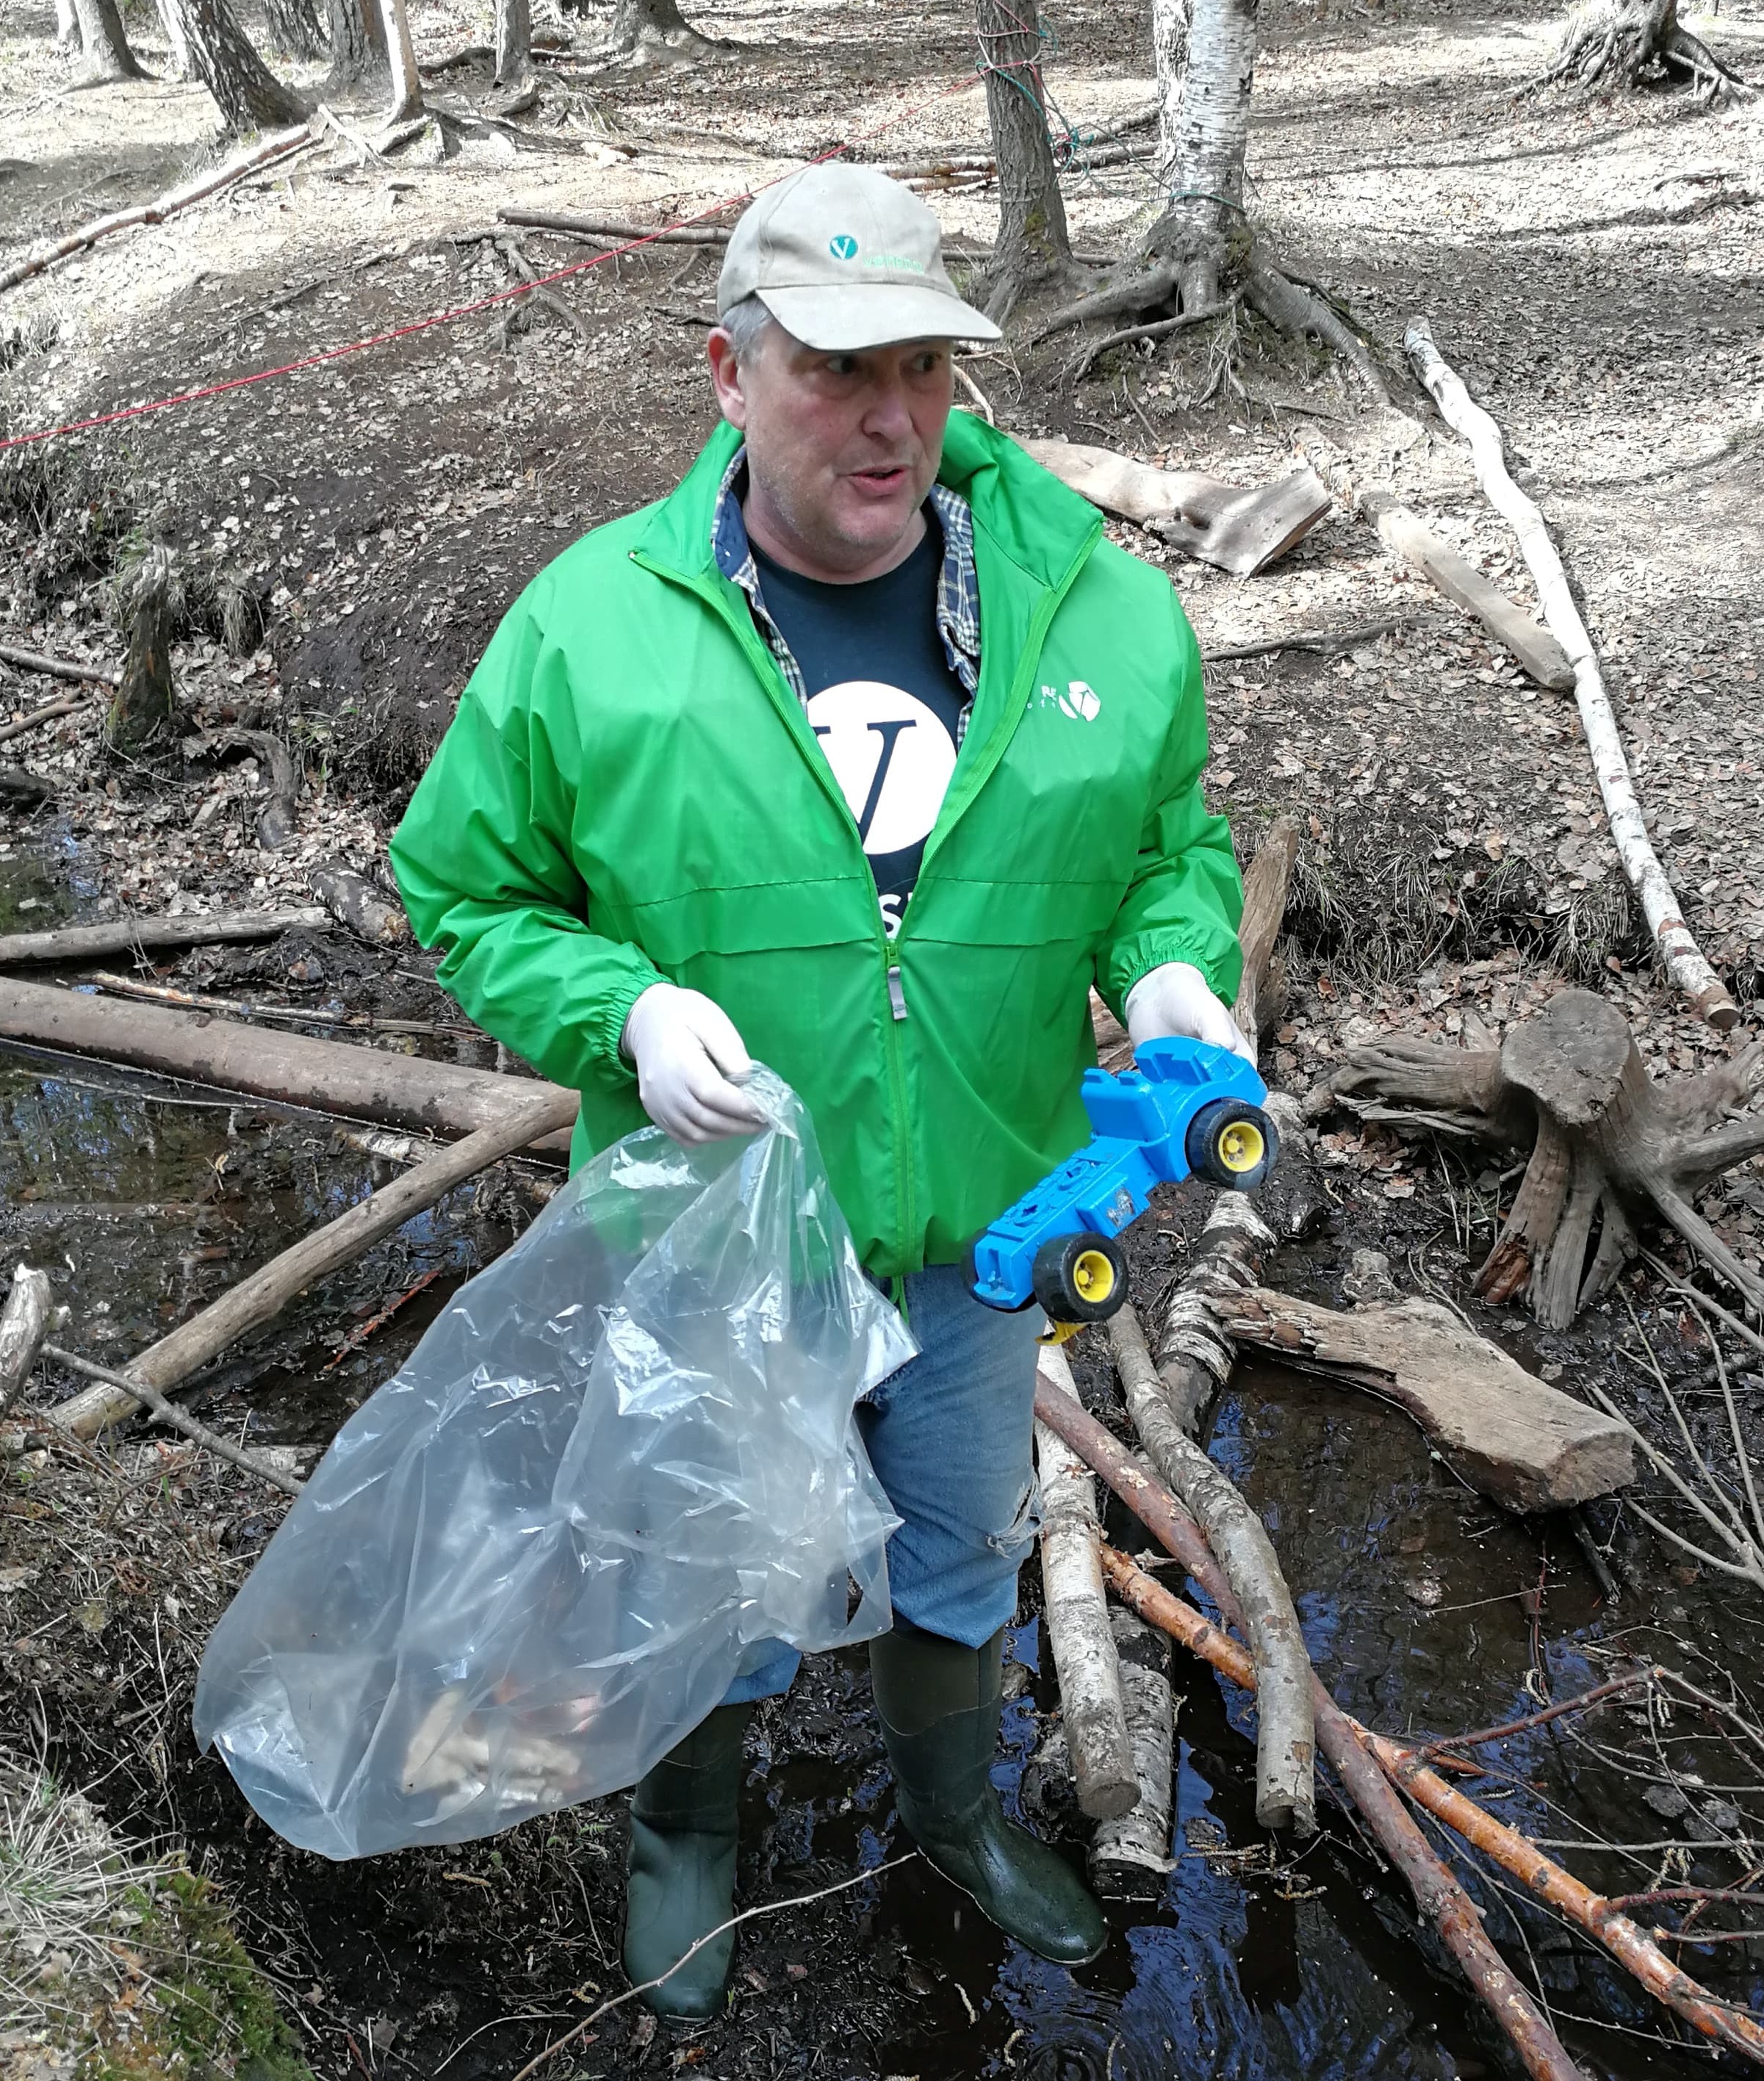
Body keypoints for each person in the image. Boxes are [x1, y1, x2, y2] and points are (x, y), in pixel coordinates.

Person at [389, 162, 1248, 2019]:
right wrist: (617, 1010)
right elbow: (461, 889)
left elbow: (1167, 848)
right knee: (713, 1565)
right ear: (726, 368)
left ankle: (947, 1810)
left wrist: (1176, 965)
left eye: (926, 370)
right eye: (839, 373)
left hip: (977, 1235)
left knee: (955, 1551)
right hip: (721, 1245)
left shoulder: (1091, 611)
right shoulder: (587, 632)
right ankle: (687, 1838)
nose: (894, 419)